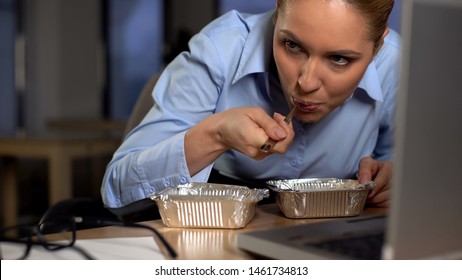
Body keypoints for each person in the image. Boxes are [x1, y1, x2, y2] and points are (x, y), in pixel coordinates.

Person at [102, 0, 400, 217]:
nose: (306, 83)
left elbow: (395, 161)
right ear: (277, 15)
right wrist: (216, 136)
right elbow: (116, 189)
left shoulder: (396, 66)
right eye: (292, 46)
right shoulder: (220, 52)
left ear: (378, 47)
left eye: (339, 59)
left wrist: (390, 177)